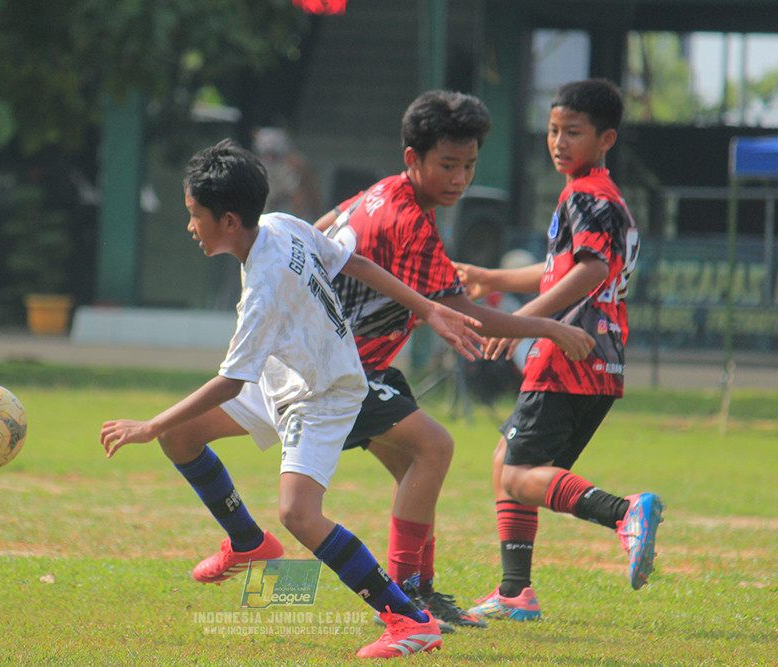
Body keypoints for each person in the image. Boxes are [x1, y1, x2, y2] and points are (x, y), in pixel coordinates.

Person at [99, 139, 487, 659]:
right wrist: (429, 309)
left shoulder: (264, 282)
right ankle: (247, 543)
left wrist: (146, 425)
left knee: (300, 514)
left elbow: (230, 382)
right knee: (181, 433)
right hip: (286, 376)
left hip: (323, 393)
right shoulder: (280, 223)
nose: (190, 226)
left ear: (230, 220)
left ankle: (409, 621)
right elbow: (356, 264)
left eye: (195, 216)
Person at [313, 90, 595, 632]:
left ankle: (417, 591)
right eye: (447, 165)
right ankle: (406, 599)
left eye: (468, 165)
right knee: (435, 447)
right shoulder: (409, 221)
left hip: (355, 364)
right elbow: (465, 313)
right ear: (412, 159)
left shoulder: (379, 193)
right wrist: (549, 328)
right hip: (338, 370)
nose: (460, 178)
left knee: (416, 468)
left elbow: (322, 225)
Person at [454, 79, 662, 622]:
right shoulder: (603, 196)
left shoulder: (585, 194)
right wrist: (491, 276)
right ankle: (515, 593)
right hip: (601, 358)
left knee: (519, 476)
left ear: (605, 138)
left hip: (568, 355)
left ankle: (625, 513)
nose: (558, 141)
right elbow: (563, 268)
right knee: (510, 463)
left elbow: (590, 271)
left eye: (573, 132)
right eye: (552, 130)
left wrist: (523, 321)